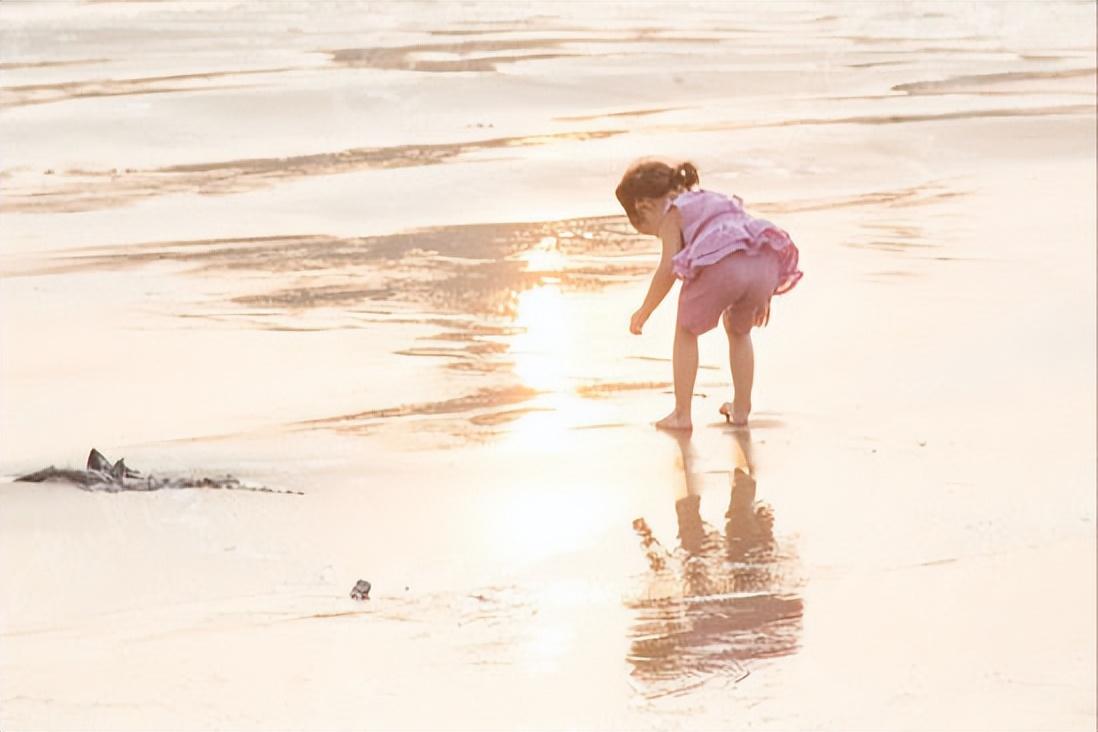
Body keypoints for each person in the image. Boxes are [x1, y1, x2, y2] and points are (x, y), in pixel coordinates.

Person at [615, 158, 802, 430]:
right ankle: (741, 409)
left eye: (648, 229)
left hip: (724, 267)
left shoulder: (672, 212)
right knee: (740, 332)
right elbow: (744, 238)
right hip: (763, 262)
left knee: (686, 331)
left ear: (644, 206)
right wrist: (765, 291)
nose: (658, 235)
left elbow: (668, 267)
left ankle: (681, 414)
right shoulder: (712, 199)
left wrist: (646, 309)